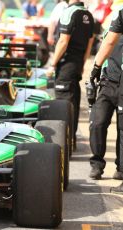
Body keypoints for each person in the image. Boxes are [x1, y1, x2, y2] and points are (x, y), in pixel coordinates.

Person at [46, 0, 95, 150]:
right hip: (77, 64)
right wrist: (82, 63)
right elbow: (90, 43)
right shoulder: (88, 14)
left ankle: (63, 143)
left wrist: (52, 64)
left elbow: (63, 41)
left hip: (66, 65)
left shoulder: (69, 12)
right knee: (73, 100)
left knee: (63, 104)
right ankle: (70, 140)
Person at [89, 4, 123, 193]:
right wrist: (96, 71)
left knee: (122, 128)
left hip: (122, 81)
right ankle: (97, 164)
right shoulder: (112, 23)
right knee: (97, 122)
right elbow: (105, 44)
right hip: (107, 80)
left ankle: (121, 169)